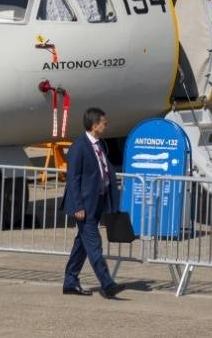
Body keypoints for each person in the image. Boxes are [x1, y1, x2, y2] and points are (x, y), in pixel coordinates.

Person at [62, 107, 123, 298]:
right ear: (95, 125)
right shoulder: (78, 147)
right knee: (94, 243)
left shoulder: (100, 145)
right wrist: (78, 206)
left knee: (82, 244)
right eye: (104, 123)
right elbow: (73, 179)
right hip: (85, 206)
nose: (106, 125)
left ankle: (70, 282)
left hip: (98, 201)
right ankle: (107, 283)